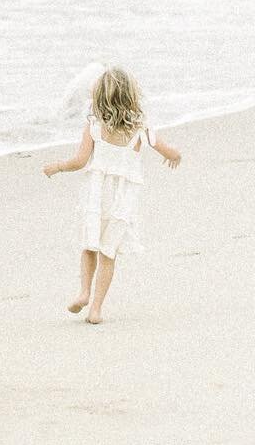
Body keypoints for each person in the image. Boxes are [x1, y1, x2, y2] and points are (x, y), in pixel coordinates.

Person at [42, 66, 180, 323]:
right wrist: (175, 155)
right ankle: (96, 308)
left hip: (96, 197)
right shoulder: (141, 127)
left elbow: (80, 160)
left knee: (88, 246)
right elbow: (164, 148)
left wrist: (58, 167)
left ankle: (83, 292)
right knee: (108, 252)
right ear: (130, 95)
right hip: (122, 202)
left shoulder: (94, 125)